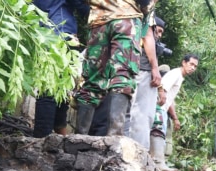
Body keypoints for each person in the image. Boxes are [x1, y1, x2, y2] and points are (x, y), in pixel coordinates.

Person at [74, 0, 156, 136]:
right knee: (122, 75)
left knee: (92, 80)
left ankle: (79, 137)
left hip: (98, 22)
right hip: (126, 19)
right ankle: (115, 137)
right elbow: (145, 4)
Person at [31, 0, 89, 138]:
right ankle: (41, 139)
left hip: (41, 32)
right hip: (61, 32)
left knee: (58, 89)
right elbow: (82, 6)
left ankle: (58, 135)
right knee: (50, 91)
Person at [149, 53, 199, 171]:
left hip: (162, 108)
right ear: (184, 62)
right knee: (158, 132)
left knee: (160, 133)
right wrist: (159, 106)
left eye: (195, 66)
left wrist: (175, 118)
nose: (193, 68)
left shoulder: (180, 77)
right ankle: (159, 163)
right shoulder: (176, 73)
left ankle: (157, 163)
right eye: (191, 64)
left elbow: (169, 99)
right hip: (158, 106)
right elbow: (162, 88)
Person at [124, 15, 166, 148]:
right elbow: (147, 38)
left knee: (128, 114)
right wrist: (154, 68)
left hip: (127, 68)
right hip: (142, 70)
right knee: (143, 115)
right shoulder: (146, 16)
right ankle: (139, 152)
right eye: (157, 31)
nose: (158, 35)